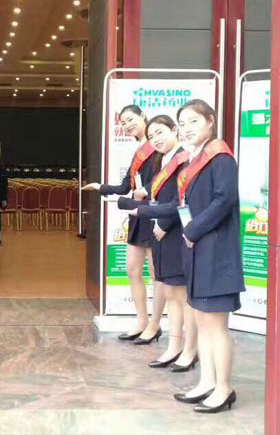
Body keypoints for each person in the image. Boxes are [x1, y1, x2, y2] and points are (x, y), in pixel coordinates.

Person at [137, 99, 244, 413]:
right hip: (197, 253)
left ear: (210, 121)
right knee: (202, 321)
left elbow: (224, 200)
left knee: (215, 326)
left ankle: (223, 388)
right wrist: (142, 210)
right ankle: (207, 382)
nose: (186, 129)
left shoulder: (220, 158)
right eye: (182, 123)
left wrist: (192, 230)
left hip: (217, 254)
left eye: (193, 122)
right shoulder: (195, 161)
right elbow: (183, 206)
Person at [115, 115, 198, 372]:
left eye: (160, 133)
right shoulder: (164, 161)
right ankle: (174, 347)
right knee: (171, 294)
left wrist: (162, 222)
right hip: (161, 233)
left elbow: (182, 202)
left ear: (174, 130)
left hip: (174, 232)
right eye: (152, 137)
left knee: (182, 297)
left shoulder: (183, 159)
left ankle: (189, 350)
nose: (156, 140)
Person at [82, 105, 166, 344]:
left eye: (131, 120)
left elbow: (163, 181)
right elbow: (123, 187)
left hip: (155, 214)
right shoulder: (138, 153)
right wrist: (99, 187)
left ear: (143, 117)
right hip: (137, 216)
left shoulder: (159, 149)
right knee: (132, 269)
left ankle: (155, 324)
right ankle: (141, 321)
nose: (128, 125)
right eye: (123, 123)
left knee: (156, 273)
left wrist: (145, 191)